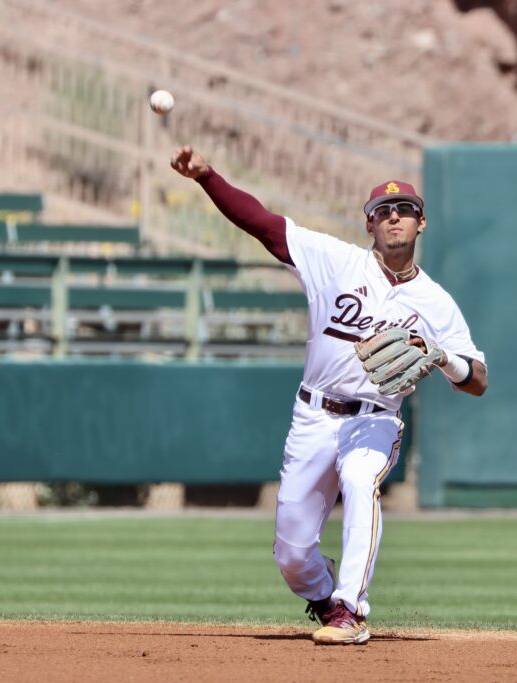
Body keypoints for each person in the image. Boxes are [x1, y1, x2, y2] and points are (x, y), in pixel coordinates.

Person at [170, 146, 487, 644]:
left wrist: (443, 357)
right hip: (314, 415)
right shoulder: (333, 262)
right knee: (292, 553)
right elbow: (263, 224)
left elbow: (478, 379)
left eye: (404, 210)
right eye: (382, 212)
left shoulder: (436, 303)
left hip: (375, 419)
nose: (394, 217)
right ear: (369, 226)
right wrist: (208, 177)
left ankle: (351, 610)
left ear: (421, 223)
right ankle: (324, 600)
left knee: (362, 480)